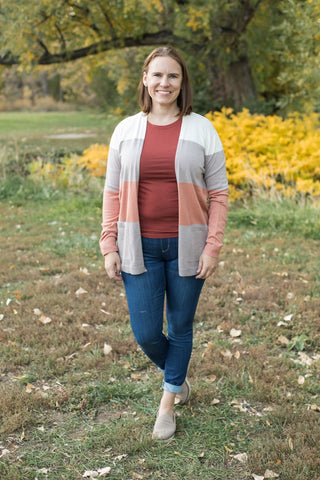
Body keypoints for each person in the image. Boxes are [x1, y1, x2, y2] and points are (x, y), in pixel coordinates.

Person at [100, 46, 228, 441]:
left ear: (181, 82)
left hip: (188, 246)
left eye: (172, 76)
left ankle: (167, 402)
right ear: (145, 79)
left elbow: (219, 195)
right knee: (146, 334)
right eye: (157, 75)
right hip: (138, 245)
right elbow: (111, 192)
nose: (164, 83)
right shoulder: (125, 130)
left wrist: (212, 247)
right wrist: (109, 243)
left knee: (181, 325)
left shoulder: (202, 129)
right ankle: (177, 375)